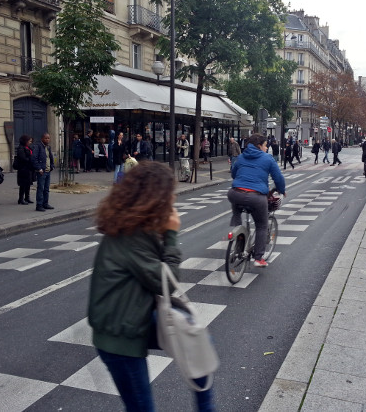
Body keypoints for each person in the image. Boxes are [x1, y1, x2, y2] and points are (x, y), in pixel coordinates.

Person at [89, 162, 215, 411]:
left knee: (197, 339)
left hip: (131, 317)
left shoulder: (133, 225)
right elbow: (166, 282)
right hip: (120, 335)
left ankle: (206, 405)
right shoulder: (132, 235)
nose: (174, 198)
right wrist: (171, 235)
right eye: (170, 193)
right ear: (156, 197)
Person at [228, 133, 286, 267]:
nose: (267, 148)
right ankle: (259, 258)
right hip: (256, 197)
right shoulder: (268, 158)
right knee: (261, 225)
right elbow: (278, 178)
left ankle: (238, 233)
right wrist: (281, 190)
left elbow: (234, 173)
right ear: (259, 146)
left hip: (235, 193)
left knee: (236, 210)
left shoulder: (242, 156)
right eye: (265, 145)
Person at [32, 133, 55, 212]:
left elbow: (50, 157)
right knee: (40, 188)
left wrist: (52, 166)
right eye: (46, 138)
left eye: (48, 138)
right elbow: (34, 158)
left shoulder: (48, 147)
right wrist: (39, 169)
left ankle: (45, 203)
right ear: (42, 139)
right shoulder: (38, 147)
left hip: (48, 170)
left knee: (46, 188)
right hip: (42, 171)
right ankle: (39, 205)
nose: (47, 140)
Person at [16, 134, 34, 205]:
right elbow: (23, 158)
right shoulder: (21, 148)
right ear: (25, 141)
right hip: (23, 169)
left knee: (28, 184)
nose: (30, 142)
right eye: (29, 141)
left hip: (28, 168)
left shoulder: (28, 147)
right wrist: (30, 159)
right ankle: (21, 199)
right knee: (23, 184)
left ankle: (27, 197)